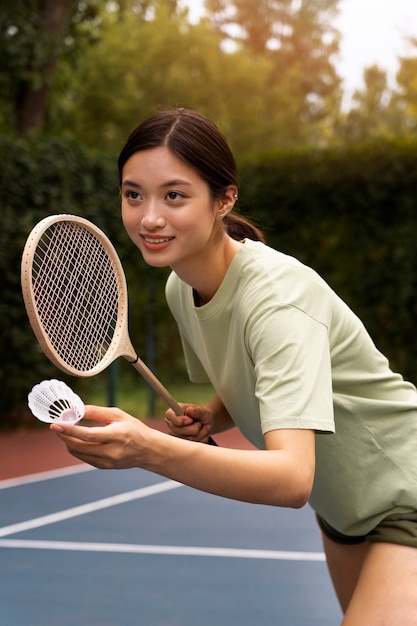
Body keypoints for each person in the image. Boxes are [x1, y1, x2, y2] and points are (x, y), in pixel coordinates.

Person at [50, 108, 417, 624]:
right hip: (346, 512)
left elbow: (292, 479)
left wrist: (148, 449)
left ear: (224, 199)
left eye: (174, 195)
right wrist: (212, 416)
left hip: (407, 490)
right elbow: (251, 381)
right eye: (134, 194)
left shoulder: (279, 300)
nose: (149, 217)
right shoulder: (183, 287)